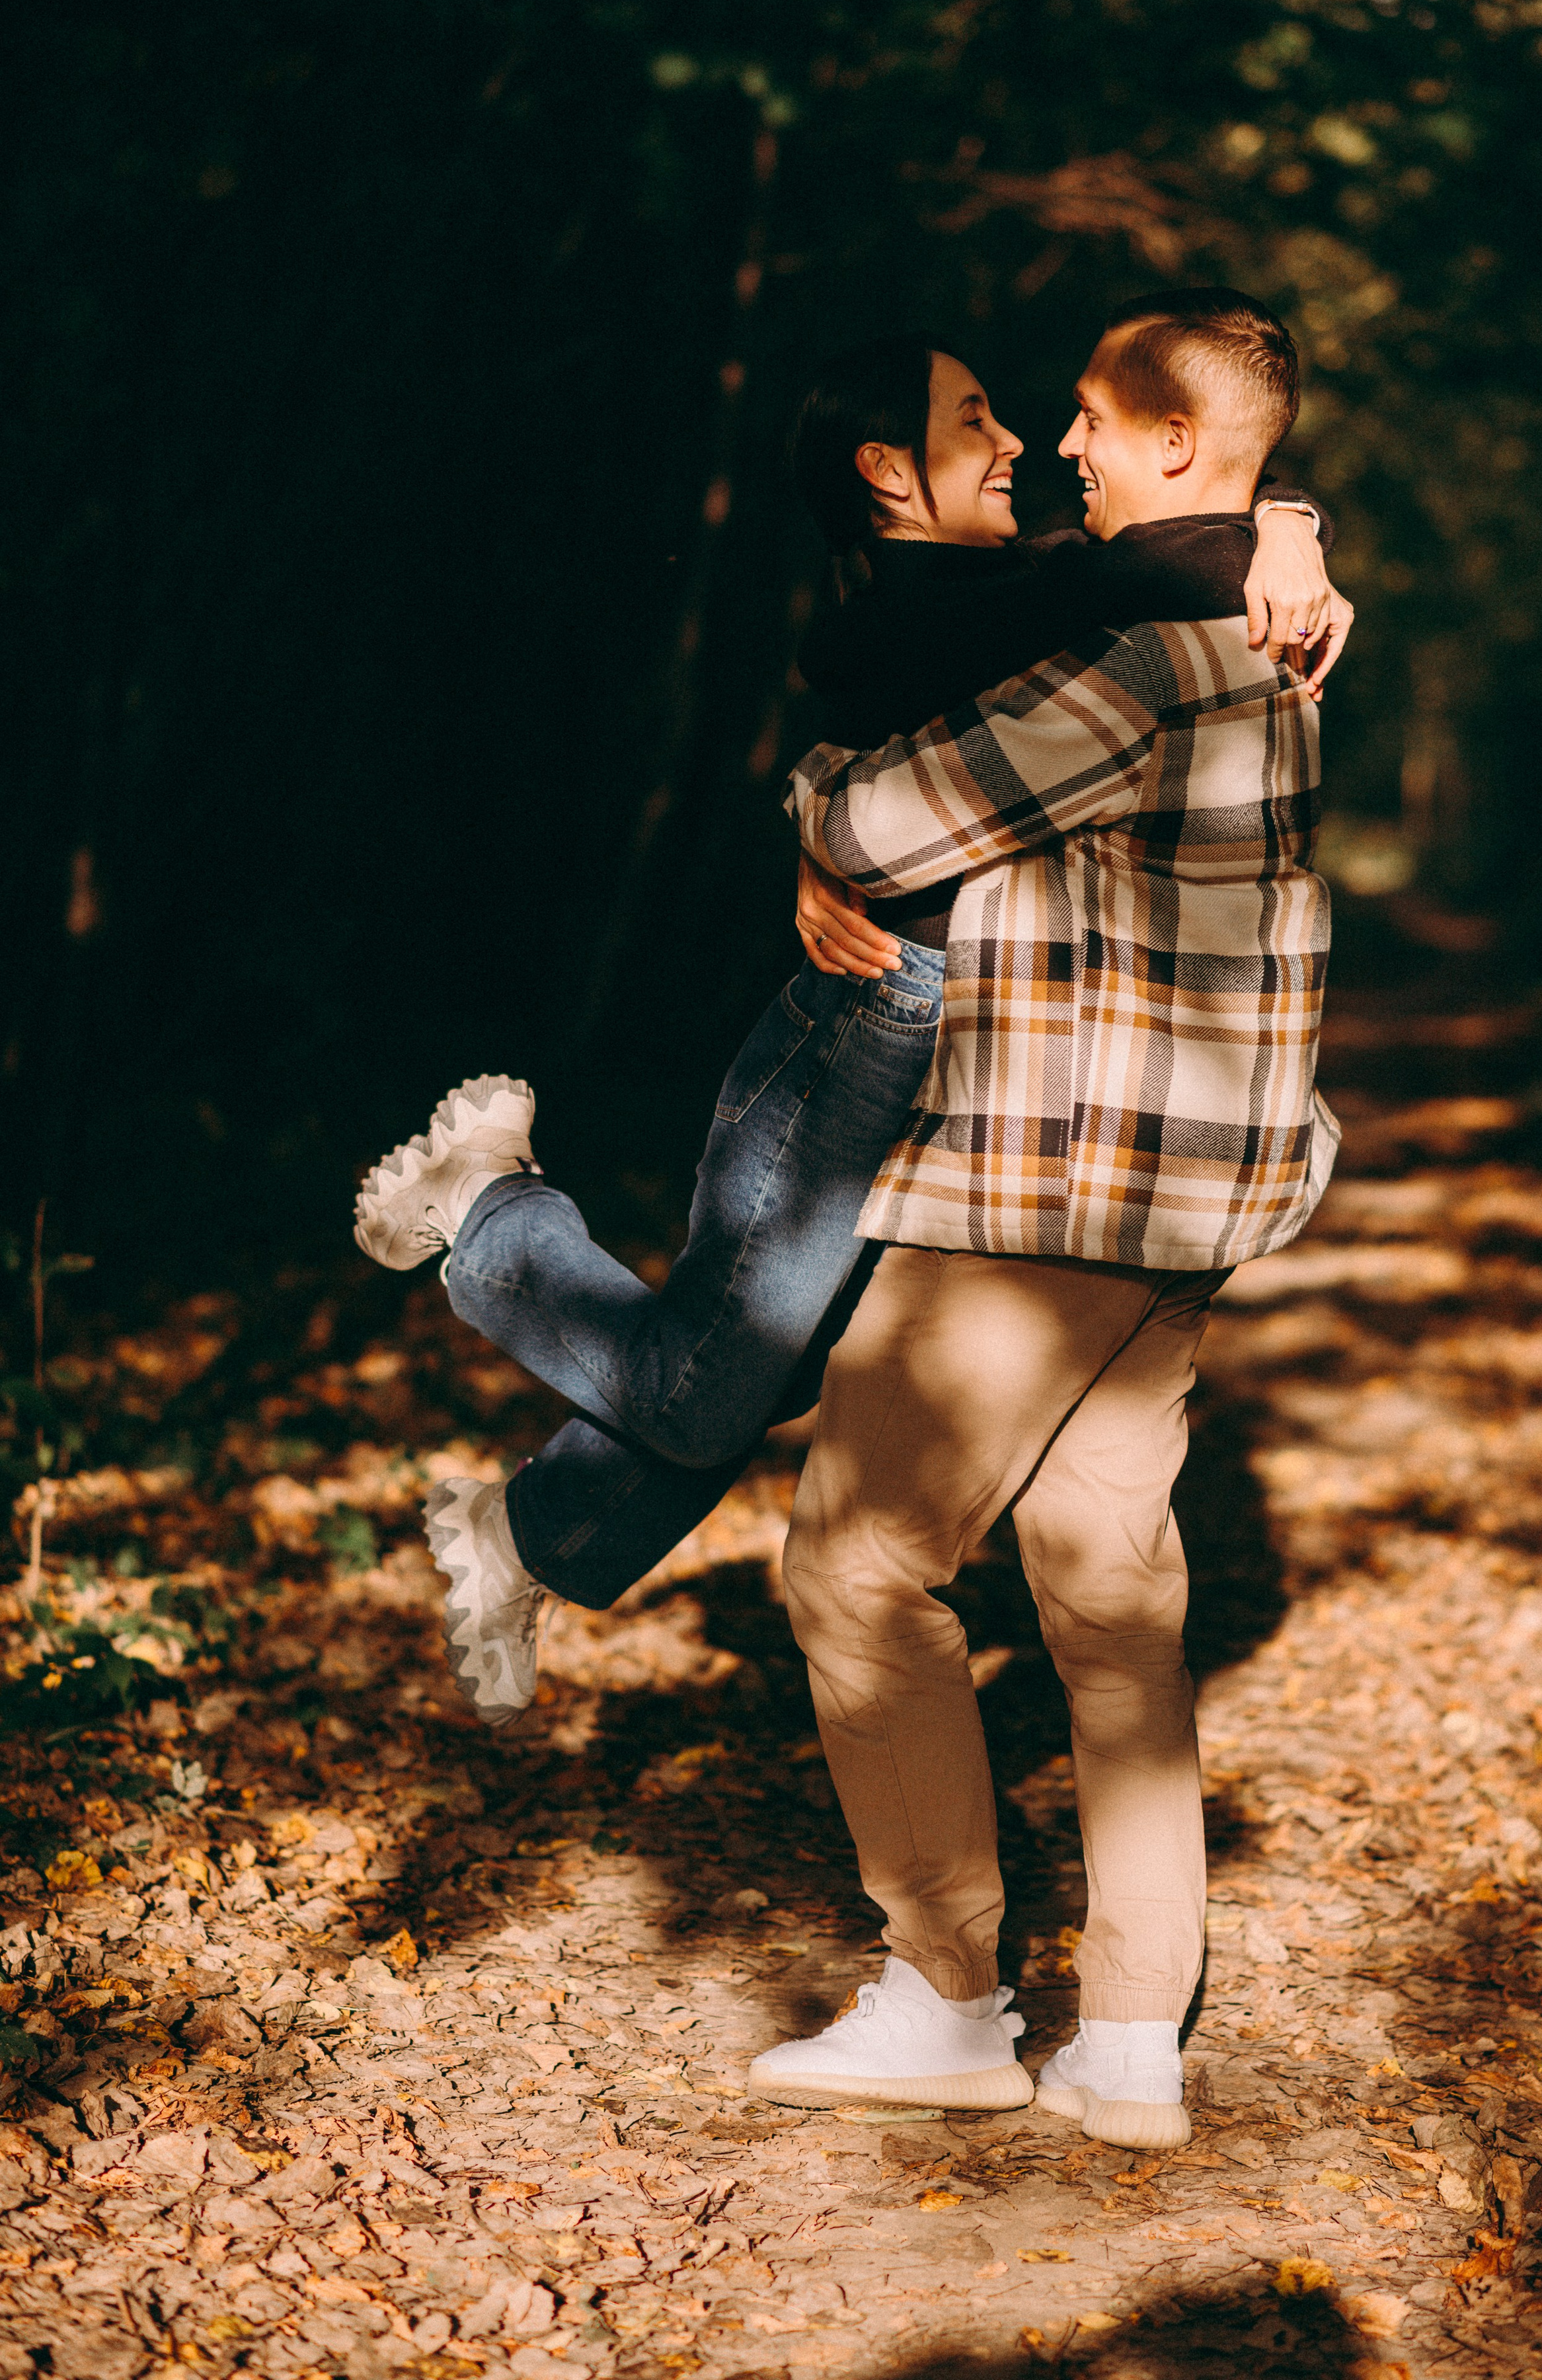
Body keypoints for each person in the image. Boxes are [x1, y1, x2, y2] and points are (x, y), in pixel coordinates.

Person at [350, 326, 1346, 1729]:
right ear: (888, 471)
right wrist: (1266, 543)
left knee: (784, 1359)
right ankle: (496, 1222)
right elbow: (1134, 583)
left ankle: (526, 1532)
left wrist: (1278, 528)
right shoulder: (907, 611)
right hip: (872, 1011)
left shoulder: (1029, 586)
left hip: (962, 1042)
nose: (1023, 444)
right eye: (977, 420)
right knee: (718, 1378)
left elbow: (1154, 553)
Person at [744, 289, 1340, 2153]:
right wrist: (1292, 518)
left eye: (1092, 415)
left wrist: (807, 818)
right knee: (1106, 1593)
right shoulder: (1254, 628)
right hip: (1181, 1205)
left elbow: (889, 823)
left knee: (851, 1561)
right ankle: (1134, 2041)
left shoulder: (1149, 667)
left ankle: (945, 1996)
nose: (1067, 447)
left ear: (1173, 442)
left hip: (1048, 1192)